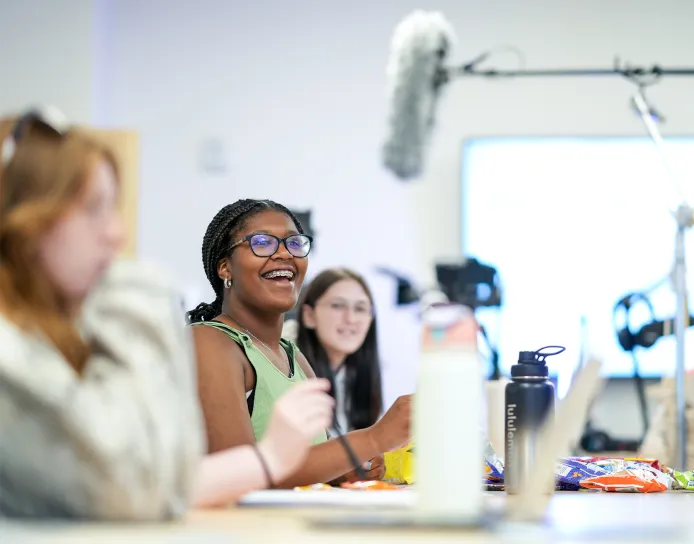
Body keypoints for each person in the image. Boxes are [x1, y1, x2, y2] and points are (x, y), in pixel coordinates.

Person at [0, 109, 334, 520]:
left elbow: (168, 481)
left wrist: (270, 457)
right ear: (24, 219)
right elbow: (130, 490)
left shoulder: (58, 339)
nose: (116, 234)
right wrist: (139, 303)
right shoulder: (11, 354)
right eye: (93, 209)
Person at [187, 199, 412, 487]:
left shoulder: (292, 355)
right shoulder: (208, 341)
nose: (284, 253)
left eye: (294, 244)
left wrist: (349, 464)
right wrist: (373, 437)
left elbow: (305, 461)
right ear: (224, 267)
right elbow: (236, 477)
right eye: (263, 242)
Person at [294, 268, 382, 435]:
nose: (351, 319)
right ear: (309, 315)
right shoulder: (287, 370)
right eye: (337, 306)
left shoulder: (353, 375)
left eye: (360, 308)